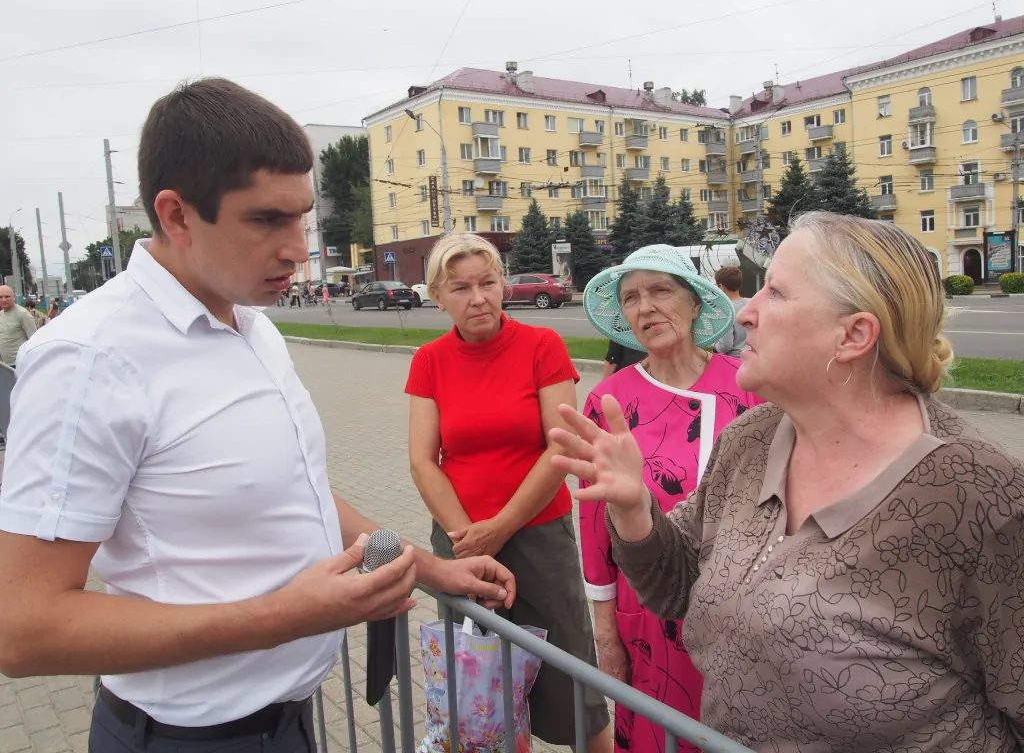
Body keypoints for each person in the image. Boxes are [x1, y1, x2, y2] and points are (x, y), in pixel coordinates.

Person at [0, 78, 516, 753]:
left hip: (289, 720)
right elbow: (24, 628)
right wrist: (279, 618)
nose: (299, 247)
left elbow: (293, 493)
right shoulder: (90, 359)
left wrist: (425, 566)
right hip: (189, 737)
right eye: (267, 220)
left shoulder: (251, 324)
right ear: (177, 216)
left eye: (302, 216)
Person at [550, 212, 1024, 752]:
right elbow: (677, 583)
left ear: (853, 335)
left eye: (774, 292)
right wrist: (635, 510)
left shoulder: (981, 499)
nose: (745, 313)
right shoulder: (753, 438)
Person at [406, 233, 612, 753]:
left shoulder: (541, 346)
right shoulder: (429, 360)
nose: (477, 298)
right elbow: (422, 460)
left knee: (570, 672)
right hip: (458, 544)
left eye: (487, 283)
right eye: (460, 288)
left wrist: (498, 529)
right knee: (478, 676)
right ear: (437, 296)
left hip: (538, 534)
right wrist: (466, 539)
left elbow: (558, 447)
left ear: (503, 285)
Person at [579, 245, 761, 752]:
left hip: (740, 606)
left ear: (696, 302)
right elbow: (596, 525)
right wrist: (606, 629)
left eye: (661, 291)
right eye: (631, 298)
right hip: (649, 613)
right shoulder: (611, 401)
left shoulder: (746, 386)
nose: (645, 307)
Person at [713, 266, 748, 357]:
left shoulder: (725, 310)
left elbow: (725, 346)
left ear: (721, 287)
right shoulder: (752, 304)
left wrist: (713, 345)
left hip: (734, 361)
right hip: (754, 359)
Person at [0, 285, 37, 368]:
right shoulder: (1, 314)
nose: (3, 300)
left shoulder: (22, 314)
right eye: (0, 297)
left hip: (20, 364)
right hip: (5, 365)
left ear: (14, 297)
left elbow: (34, 340)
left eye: (7, 296)